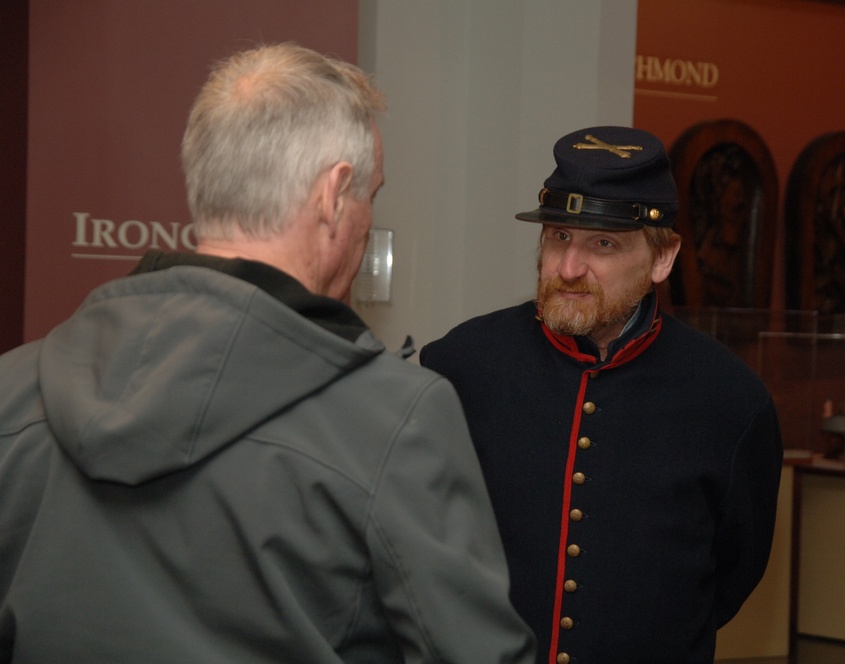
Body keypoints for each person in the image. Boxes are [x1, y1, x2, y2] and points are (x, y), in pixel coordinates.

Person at [0, 43, 535, 664]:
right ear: (334, 195)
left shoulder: (15, 390)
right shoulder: (395, 421)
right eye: (371, 195)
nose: (368, 221)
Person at [420, 126, 783, 664]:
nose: (568, 268)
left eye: (603, 244)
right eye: (558, 237)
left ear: (662, 259)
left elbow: (731, 573)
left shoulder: (730, 401)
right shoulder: (461, 364)